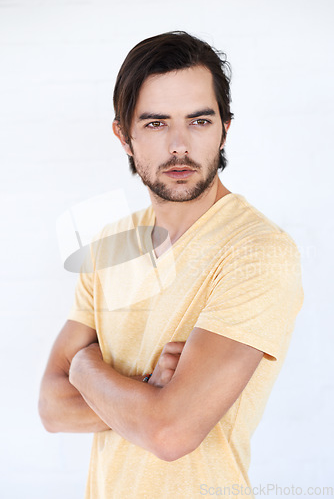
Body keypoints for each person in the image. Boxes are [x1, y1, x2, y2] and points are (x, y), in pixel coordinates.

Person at [39, 31, 304, 498]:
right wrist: (148, 392)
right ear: (124, 135)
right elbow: (51, 407)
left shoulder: (258, 251)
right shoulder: (110, 244)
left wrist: (83, 369)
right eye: (157, 124)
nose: (179, 145)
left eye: (199, 121)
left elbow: (170, 433)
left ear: (225, 127)